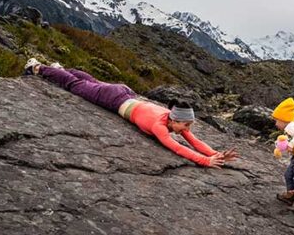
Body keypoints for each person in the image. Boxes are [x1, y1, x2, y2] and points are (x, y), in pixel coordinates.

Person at [24, 59, 237, 168]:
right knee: (74, 85)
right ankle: (37, 67)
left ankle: (59, 67)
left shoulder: (173, 121)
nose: (188, 130)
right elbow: (178, 148)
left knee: (89, 83)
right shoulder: (159, 126)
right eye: (186, 125)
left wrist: (214, 154)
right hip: (115, 98)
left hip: (124, 94)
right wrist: (205, 161)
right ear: (175, 120)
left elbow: (194, 141)